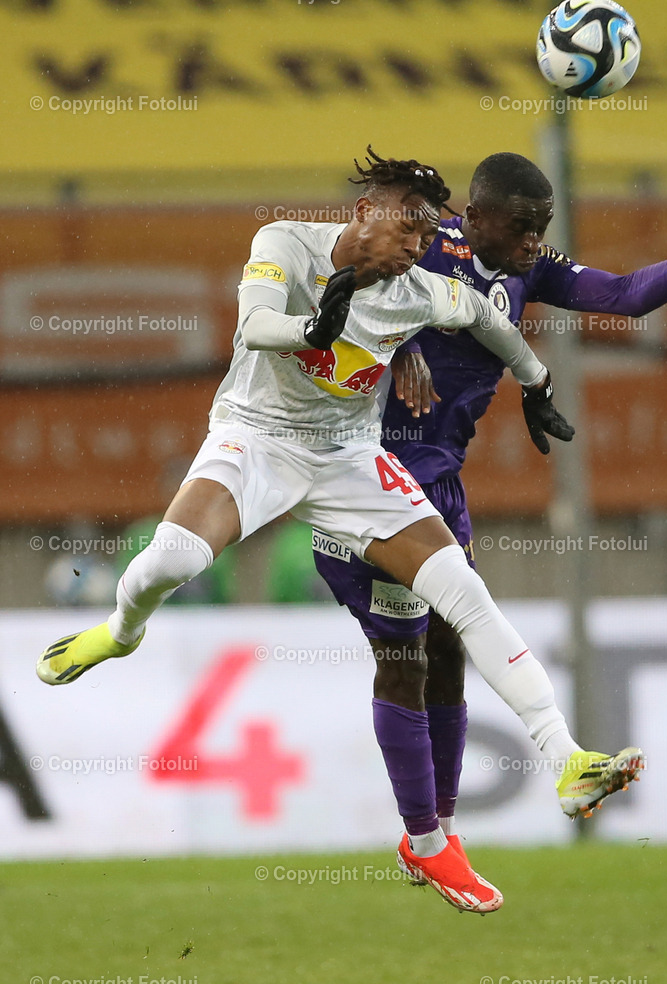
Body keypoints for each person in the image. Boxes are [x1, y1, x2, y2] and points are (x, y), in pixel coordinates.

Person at [36, 148, 600, 916]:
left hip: (348, 462)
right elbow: (258, 327)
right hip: (255, 439)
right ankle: (122, 630)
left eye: (426, 233)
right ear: (365, 211)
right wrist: (319, 317)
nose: (415, 246)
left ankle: (566, 761)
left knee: (461, 597)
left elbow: (488, 321)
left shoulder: (421, 290)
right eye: (407, 228)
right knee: (168, 561)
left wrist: (535, 383)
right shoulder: (285, 243)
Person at [313, 151, 667, 892]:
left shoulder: (526, 271)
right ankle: (475, 811)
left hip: (438, 481)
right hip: (365, 475)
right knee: (420, 649)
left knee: (439, 653)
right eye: (523, 225)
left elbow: (624, 295)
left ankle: (436, 836)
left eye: (543, 227)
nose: (535, 239)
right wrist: (382, 348)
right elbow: (332, 282)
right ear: (475, 214)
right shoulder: (421, 243)